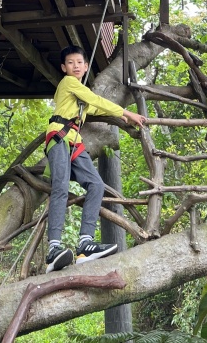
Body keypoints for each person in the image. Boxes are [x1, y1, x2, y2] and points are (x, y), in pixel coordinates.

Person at [45, 45, 147, 273]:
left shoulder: (80, 95)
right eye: (70, 63)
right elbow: (96, 100)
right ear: (63, 68)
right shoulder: (69, 83)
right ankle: (53, 248)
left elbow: (95, 107)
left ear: (86, 66)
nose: (75, 66)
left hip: (74, 141)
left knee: (96, 184)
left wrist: (122, 117)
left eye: (79, 63)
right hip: (59, 136)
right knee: (60, 187)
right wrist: (127, 113)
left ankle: (85, 244)